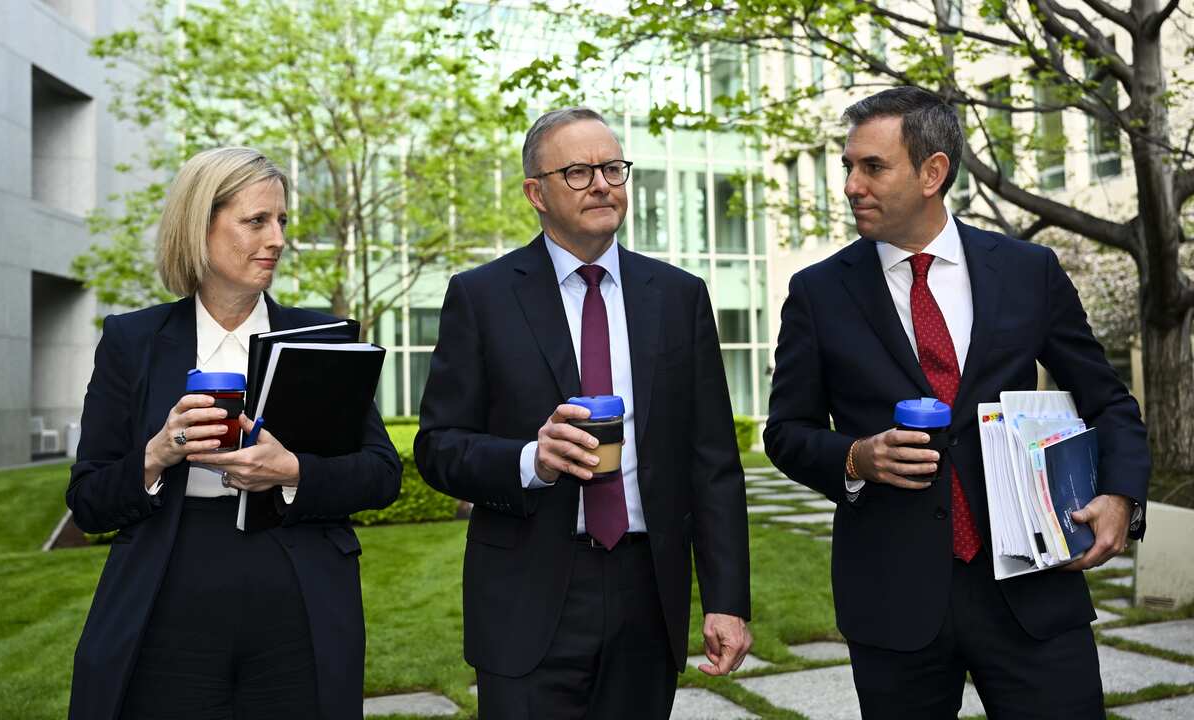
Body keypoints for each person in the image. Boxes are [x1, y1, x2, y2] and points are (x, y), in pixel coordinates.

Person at [764, 87, 1149, 718]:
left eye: (873, 167)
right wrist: (857, 457)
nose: (851, 185)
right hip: (893, 600)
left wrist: (1122, 496)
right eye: (848, 167)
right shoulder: (818, 293)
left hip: (1034, 588)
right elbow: (786, 432)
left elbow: (1108, 400)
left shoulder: (1029, 271)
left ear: (933, 172)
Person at [414, 107, 752, 719]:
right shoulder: (482, 296)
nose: (602, 183)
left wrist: (727, 600)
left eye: (613, 168)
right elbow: (438, 446)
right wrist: (530, 461)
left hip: (648, 589)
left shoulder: (679, 297)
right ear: (534, 193)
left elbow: (714, 463)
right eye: (577, 171)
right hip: (530, 592)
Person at [66, 147, 401, 720]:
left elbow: (380, 474)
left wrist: (292, 472)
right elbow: (89, 502)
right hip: (170, 586)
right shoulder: (133, 341)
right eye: (256, 221)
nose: (276, 239)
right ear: (200, 226)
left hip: (296, 586)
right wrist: (157, 453)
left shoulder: (321, 337)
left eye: (282, 222)